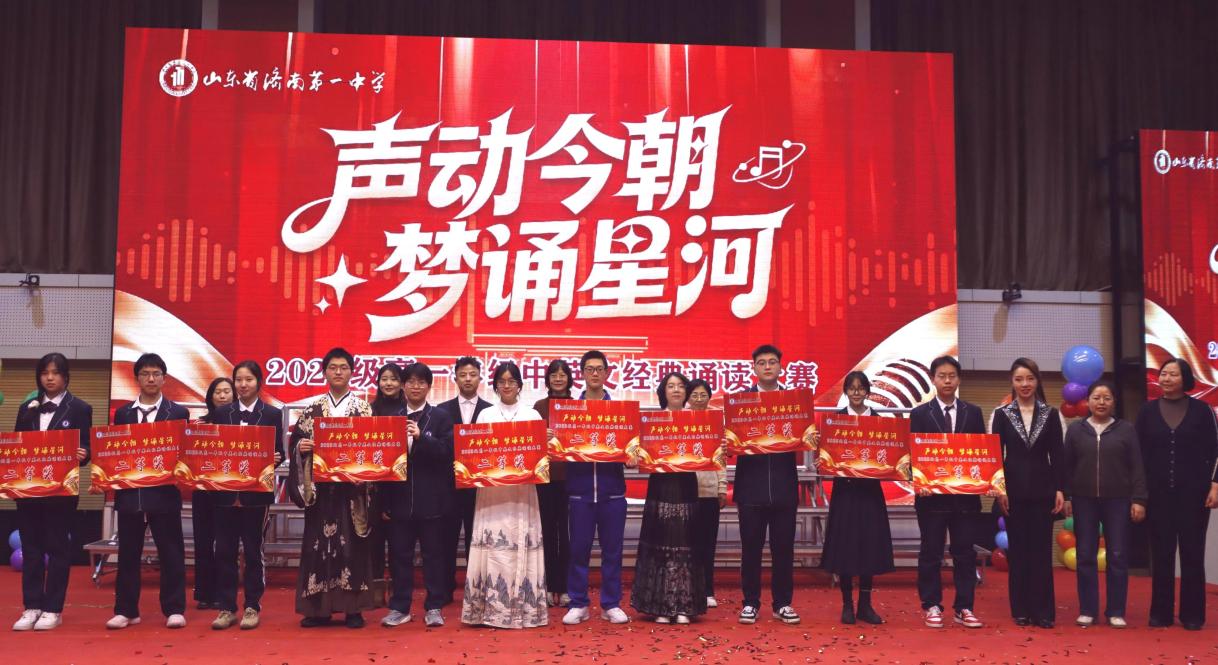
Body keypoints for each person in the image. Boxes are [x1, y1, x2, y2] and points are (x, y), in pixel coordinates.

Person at [288, 347, 381, 628]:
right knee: (318, 546)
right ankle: (318, 609)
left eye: (343, 367)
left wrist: (365, 474)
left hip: (351, 492)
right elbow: (295, 443)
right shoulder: (312, 410)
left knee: (352, 547)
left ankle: (353, 609)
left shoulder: (364, 409)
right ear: (324, 372)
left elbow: (375, 447)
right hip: (320, 491)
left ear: (352, 372)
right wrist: (300, 447)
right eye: (332, 367)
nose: (338, 372)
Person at [107, 352, 191, 630]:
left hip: (164, 494)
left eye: (156, 374)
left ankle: (174, 609)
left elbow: (185, 454)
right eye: (145, 374)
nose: (151, 378)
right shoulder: (123, 414)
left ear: (164, 379)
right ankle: (126, 610)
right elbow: (114, 452)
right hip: (130, 494)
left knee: (171, 552)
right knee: (128, 553)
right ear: (137, 378)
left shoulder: (178, 413)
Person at [461, 361, 548, 629]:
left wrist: (546, 441)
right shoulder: (485, 415)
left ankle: (524, 609)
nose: (507, 386)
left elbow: (540, 459)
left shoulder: (532, 415)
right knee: (493, 546)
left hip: (522, 492)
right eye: (502, 381)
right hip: (492, 494)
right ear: (496, 385)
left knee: (521, 542)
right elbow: (475, 453)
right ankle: (487, 610)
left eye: (511, 381)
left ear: (520, 385)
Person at [10, 353, 91, 632]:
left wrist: (84, 453)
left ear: (65, 376)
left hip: (61, 491)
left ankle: (53, 608)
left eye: (55, 373)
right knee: (31, 548)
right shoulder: (27, 408)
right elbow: (16, 447)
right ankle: (31, 606)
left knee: (57, 548)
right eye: (45, 373)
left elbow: (87, 447)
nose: (50, 378)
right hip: (29, 490)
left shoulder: (79, 408)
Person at [1136, 358, 1218, 630]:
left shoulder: (1203, 411)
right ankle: (1160, 613)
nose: (1166, 378)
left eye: (1173, 374)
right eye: (1163, 373)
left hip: (1195, 495)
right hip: (1158, 495)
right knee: (1162, 554)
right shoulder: (1146, 412)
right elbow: (1138, 456)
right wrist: (1139, 494)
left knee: (1192, 553)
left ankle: (1192, 615)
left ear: (1185, 378)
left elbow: (1216, 450)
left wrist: (1215, 485)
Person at [734, 344, 812, 625]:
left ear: (781, 367)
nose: (767, 367)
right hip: (750, 487)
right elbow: (732, 442)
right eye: (762, 363)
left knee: (783, 549)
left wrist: (810, 437)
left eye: (772, 362)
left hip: (784, 486)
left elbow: (805, 438)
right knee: (750, 549)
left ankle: (783, 603)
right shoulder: (741, 402)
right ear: (754, 368)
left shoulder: (793, 402)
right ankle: (750, 603)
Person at [909, 355, 986, 629]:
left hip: (965, 498)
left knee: (965, 552)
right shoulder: (920, 414)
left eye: (952, 376)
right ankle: (931, 604)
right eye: (942, 376)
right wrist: (918, 481)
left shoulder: (973, 413)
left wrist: (986, 481)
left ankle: (964, 607)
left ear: (959, 379)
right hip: (931, 498)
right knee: (931, 552)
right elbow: (912, 454)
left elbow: (981, 453)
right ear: (933, 379)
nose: (947, 381)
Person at [1063, 380, 1146, 628]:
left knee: (1118, 555)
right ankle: (1088, 610)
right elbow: (1066, 467)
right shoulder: (1076, 430)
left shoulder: (1126, 430)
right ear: (1087, 401)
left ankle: (1116, 611)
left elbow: (1137, 466)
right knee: (1085, 555)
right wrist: (1067, 496)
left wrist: (1139, 499)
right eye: (1096, 398)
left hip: (1118, 500)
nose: (1101, 402)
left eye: (1106, 398)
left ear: (1114, 402)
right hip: (1083, 500)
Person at [207, 361, 283, 631]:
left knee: (253, 552)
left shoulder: (271, 414)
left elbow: (279, 452)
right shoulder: (222, 413)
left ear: (258, 382)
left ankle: (252, 606)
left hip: (256, 497)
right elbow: (211, 450)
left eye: (248, 379)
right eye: (238, 379)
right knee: (224, 552)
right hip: (225, 496)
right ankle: (227, 607)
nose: (243, 384)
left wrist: (275, 458)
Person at [989, 358, 1064, 628]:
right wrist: (1000, 490)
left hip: (1044, 492)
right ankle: (1020, 609)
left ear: (1037, 381)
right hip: (1013, 493)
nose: (1025, 384)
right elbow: (995, 456)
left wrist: (1060, 489)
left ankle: (1043, 612)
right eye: (1019, 379)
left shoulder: (1051, 414)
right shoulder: (1002, 414)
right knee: (1018, 552)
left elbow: (1058, 454)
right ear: (1012, 381)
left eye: (1030, 378)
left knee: (1041, 553)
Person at [381, 362, 455, 628]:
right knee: (399, 556)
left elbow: (448, 453)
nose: (415, 386)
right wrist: (384, 503)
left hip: (432, 501)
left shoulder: (441, 417)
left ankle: (434, 606)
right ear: (403, 386)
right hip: (399, 501)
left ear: (429, 386)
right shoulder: (391, 417)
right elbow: (382, 462)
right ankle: (400, 607)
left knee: (433, 556)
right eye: (410, 382)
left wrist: (422, 437)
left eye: (421, 382)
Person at [630, 372, 706, 623]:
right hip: (661, 485)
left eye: (680, 386)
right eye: (671, 386)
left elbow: (709, 451)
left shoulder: (697, 421)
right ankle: (660, 606)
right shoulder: (652, 421)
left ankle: (684, 605)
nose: (676, 390)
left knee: (686, 540)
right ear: (663, 391)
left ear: (686, 392)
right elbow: (639, 453)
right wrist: (635, 455)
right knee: (660, 539)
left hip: (686, 484)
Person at [562, 350, 630, 625]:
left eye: (599, 369)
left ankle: (610, 604)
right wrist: (553, 438)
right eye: (589, 369)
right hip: (580, 493)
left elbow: (631, 449)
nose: (594, 373)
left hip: (612, 493)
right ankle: (578, 603)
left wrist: (633, 453)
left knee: (612, 552)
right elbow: (558, 448)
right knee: (578, 551)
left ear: (607, 373)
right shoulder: (568, 412)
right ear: (581, 373)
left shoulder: (620, 412)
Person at [821, 371, 893, 625]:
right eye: (851, 388)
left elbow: (891, 456)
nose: (856, 392)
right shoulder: (836, 421)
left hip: (870, 492)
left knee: (868, 547)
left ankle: (865, 604)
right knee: (846, 547)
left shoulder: (879, 421)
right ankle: (847, 605)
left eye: (861, 388)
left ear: (867, 391)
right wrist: (824, 459)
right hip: (846, 492)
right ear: (845, 392)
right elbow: (827, 457)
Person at [437, 356, 492, 604]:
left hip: (479, 488)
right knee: (446, 539)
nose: (468, 379)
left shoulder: (490, 411)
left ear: (480, 378)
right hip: (448, 486)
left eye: (472, 374)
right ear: (455, 378)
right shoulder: (441, 411)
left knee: (477, 539)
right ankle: (445, 589)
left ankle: (476, 591)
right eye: (463, 375)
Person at [191, 377, 235, 612]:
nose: (222, 396)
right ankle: (204, 593)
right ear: (210, 397)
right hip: (203, 491)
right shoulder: (199, 425)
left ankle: (223, 592)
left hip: (229, 491)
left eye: (227, 391)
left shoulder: (240, 425)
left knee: (225, 545)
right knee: (203, 542)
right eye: (218, 392)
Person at [532, 359, 573, 608]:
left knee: (567, 535)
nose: (558, 379)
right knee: (546, 532)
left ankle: (565, 587)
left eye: (562, 374)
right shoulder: (538, 407)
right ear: (547, 379)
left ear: (569, 379)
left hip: (571, 479)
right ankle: (547, 586)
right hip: (545, 479)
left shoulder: (578, 406)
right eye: (554, 375)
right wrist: (540, 435)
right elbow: (529, 442)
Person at [687, 379, 726, 609]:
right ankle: (688, 588)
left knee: (707, 545)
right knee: (687, 545)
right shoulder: (679, 420)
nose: (699, 399)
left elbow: (721, 459)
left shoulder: (715, 421)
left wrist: (722, 487)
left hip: (709, 491)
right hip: (685, 492)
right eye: (695, 395)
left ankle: (707, 590)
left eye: (703, 395)